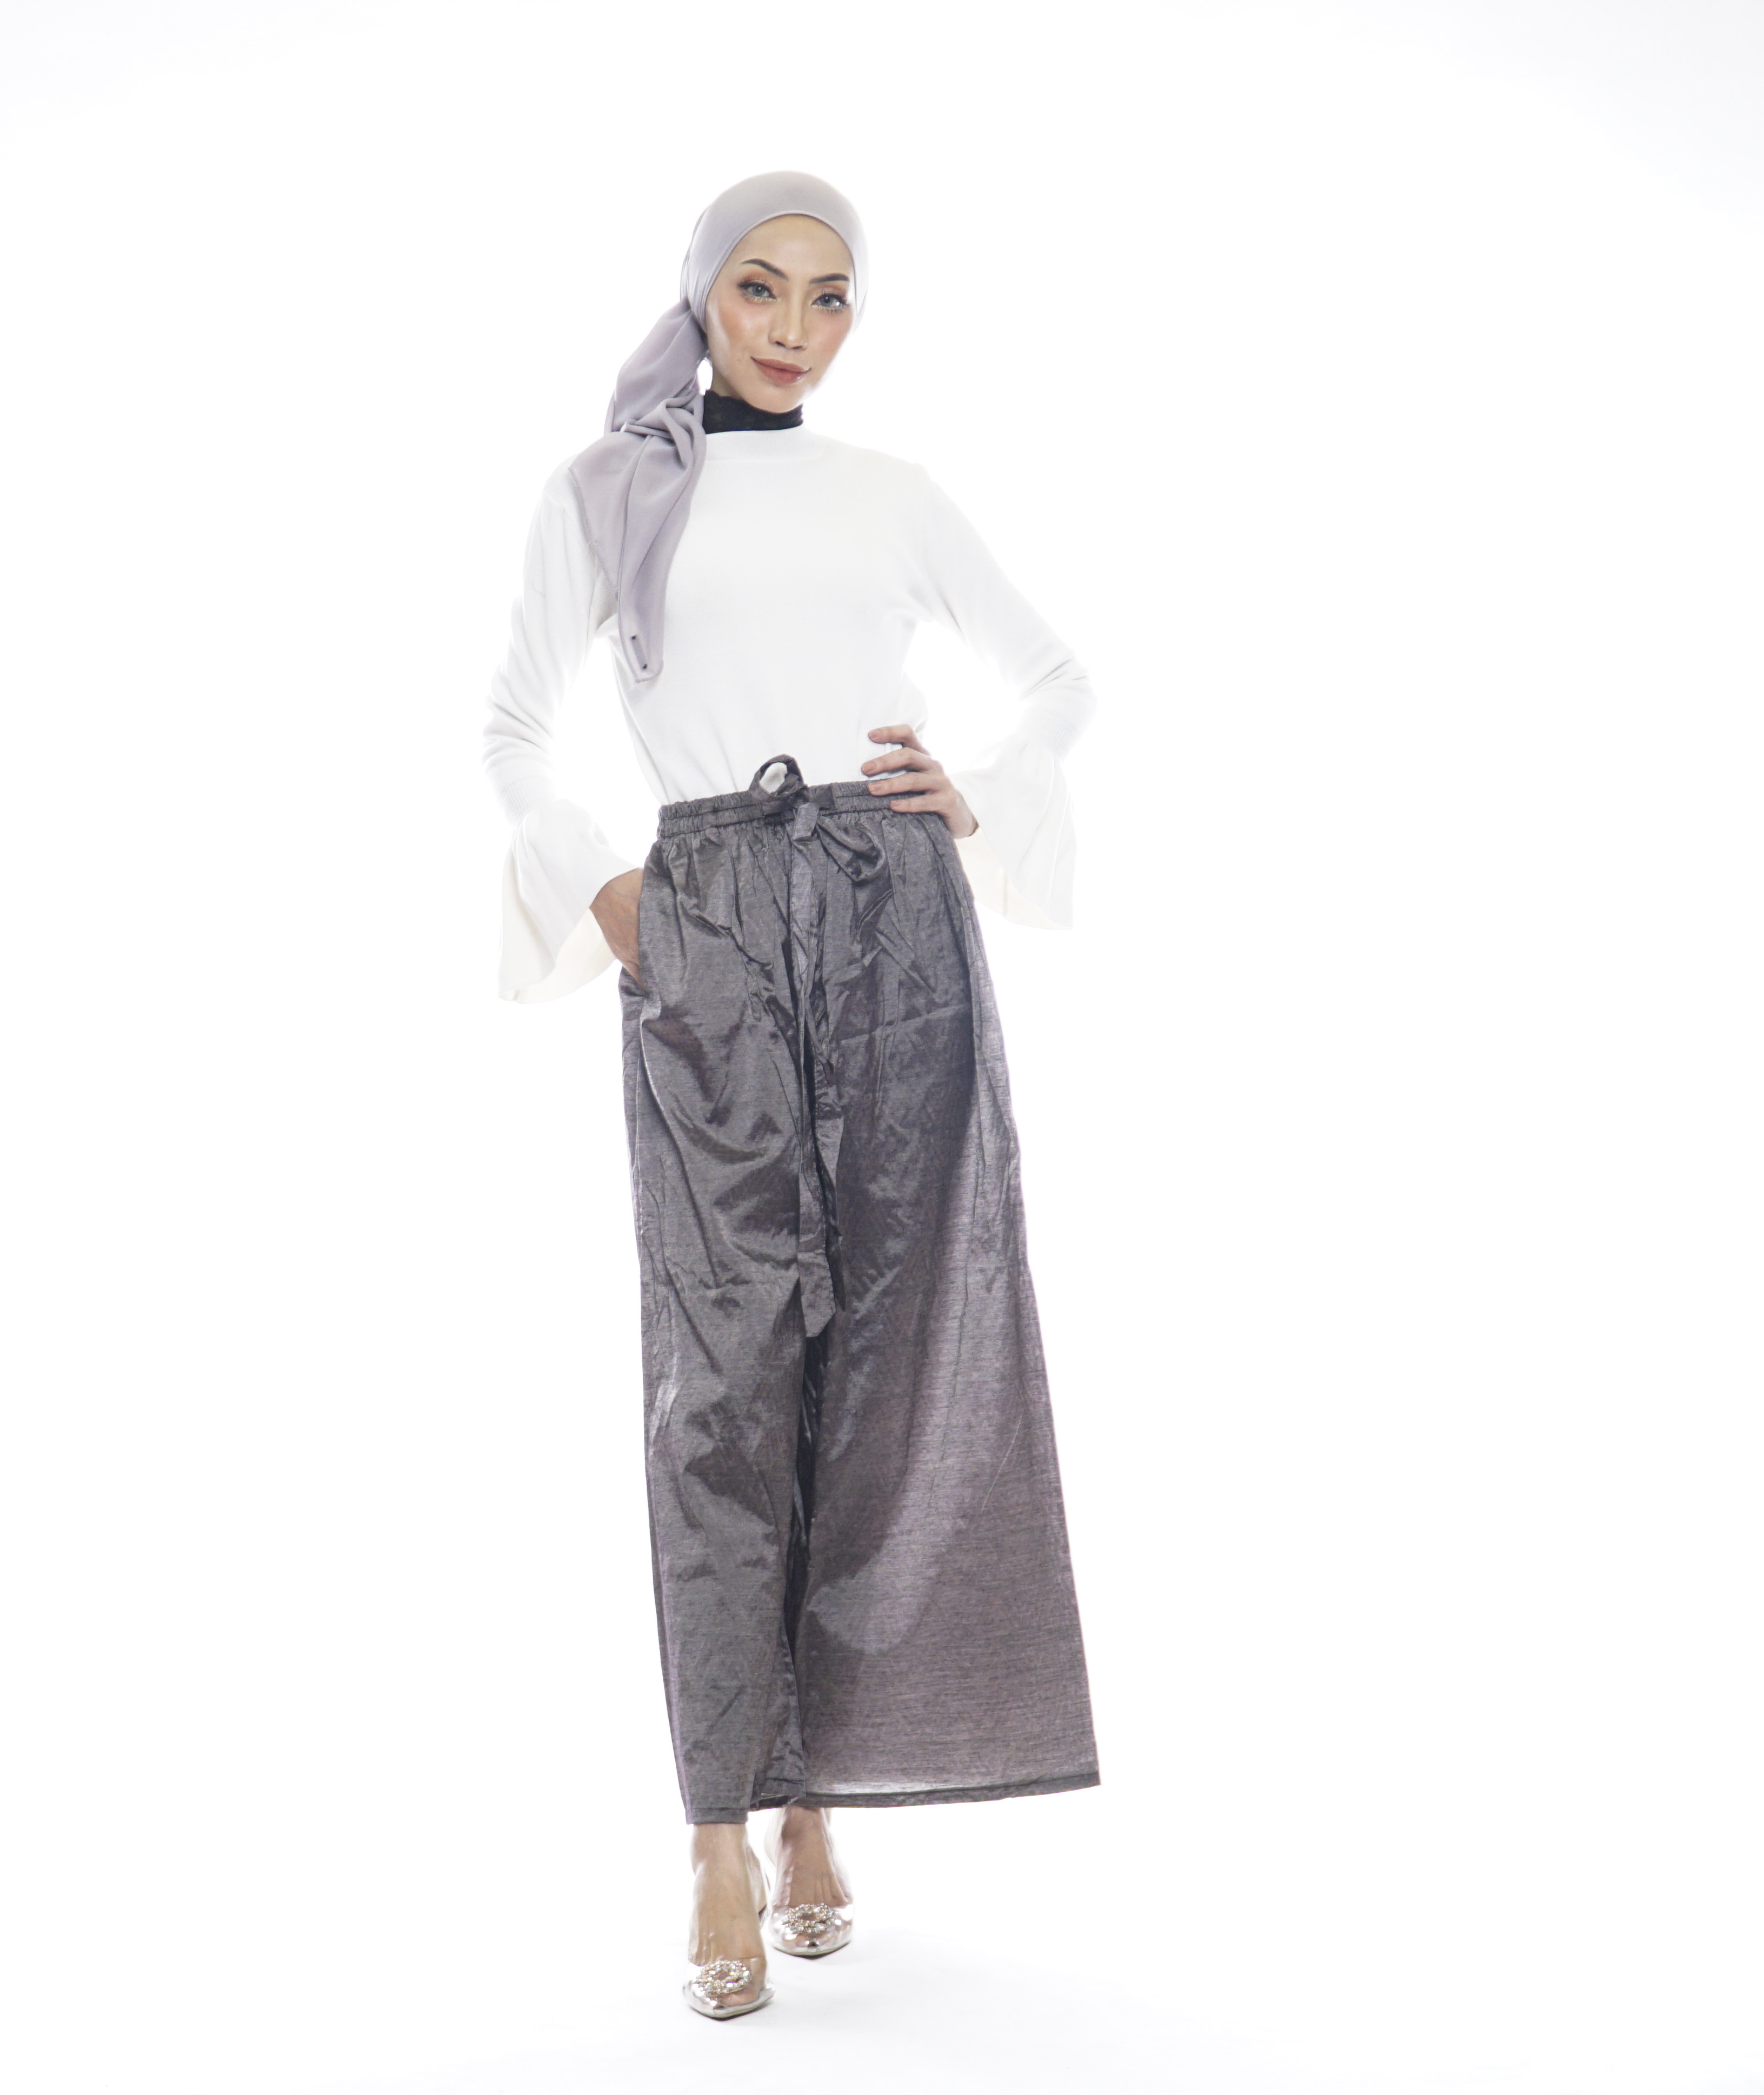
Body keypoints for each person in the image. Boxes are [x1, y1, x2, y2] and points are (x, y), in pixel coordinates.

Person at [481, 171, 1100, 2021]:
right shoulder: (607, 489)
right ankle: (713, 1831)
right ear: (702, 294)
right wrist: (611, 893)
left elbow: (1059, 680)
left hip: (891, 912)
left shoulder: (888, 492)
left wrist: (974, 791)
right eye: (760, 287)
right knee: (720, 1378)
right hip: (708, 917)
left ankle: (816, 1800)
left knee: (886, 1358)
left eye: (830, 297)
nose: (793, 327)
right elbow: (510, 727)